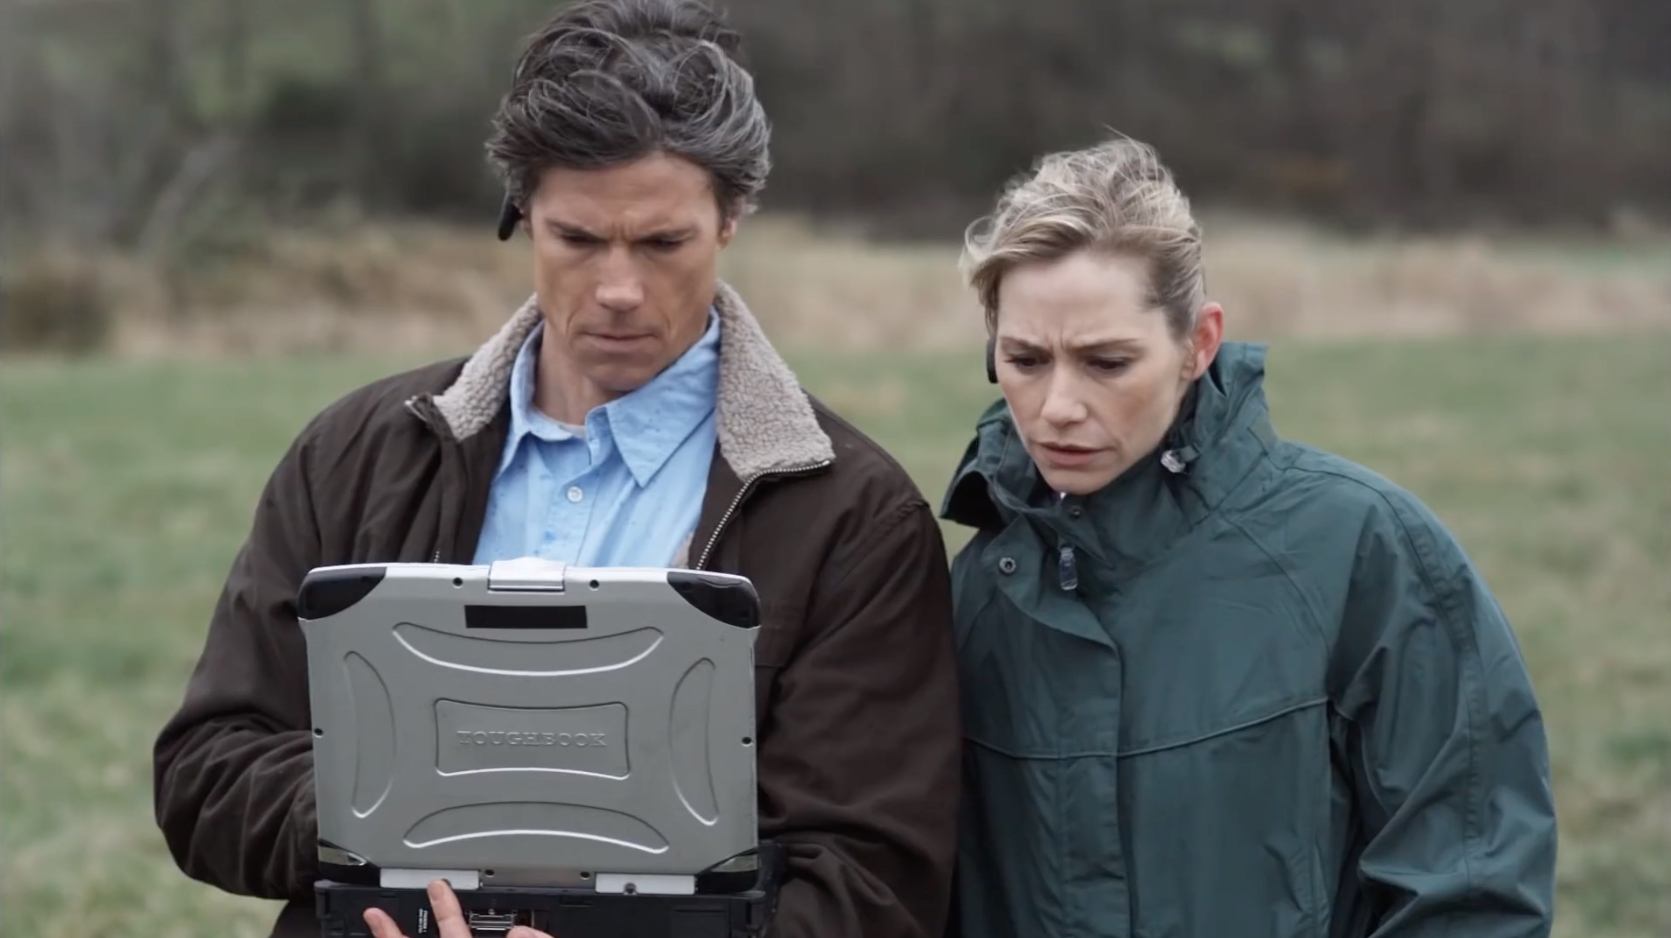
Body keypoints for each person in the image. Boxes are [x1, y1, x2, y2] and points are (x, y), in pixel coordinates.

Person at [151, 3, 960, 937]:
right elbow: (207, 775)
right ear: (522, 216)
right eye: (576, 239)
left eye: (662, 244)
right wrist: (390, 803)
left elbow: (869, 880)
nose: (618, 290)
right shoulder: (354, 455)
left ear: (731, 218)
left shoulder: (850, 514)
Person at [940, 136, 1557, 937]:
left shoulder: (1363, 552)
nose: (1057, 406)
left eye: (1106, 362)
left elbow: (1472, 893)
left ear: (1198, 344)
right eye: (1025, 359)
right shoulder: (972, 594)